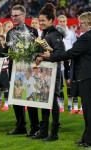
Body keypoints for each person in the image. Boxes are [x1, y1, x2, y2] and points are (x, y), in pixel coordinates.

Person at [43, 11, 91, 147]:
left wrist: (51, 56)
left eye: (81, 23)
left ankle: (90, 140)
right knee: (89, 109)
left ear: (89, 23)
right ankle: (86, 137)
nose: (79, 26)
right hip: (89, 76)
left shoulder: (86, 38)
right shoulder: (90, 36)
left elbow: (70, 53)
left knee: (90, 110)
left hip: (87, 76)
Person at [31, 3, 65, 141]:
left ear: (51, 20)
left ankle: (54, 133)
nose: (40, 23)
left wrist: (46, 56)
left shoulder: (55, 34)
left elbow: (62, 54)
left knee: (53, 103)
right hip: (44, 74)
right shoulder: (44, 33)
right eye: (39, 21)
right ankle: (43, 131)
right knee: (43, 102)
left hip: (53, 74)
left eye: (43, 21)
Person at [5, 5, 40, 137]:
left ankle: (35, 127)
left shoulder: (33, 31)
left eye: (16, 15)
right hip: (15, 70)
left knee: (31, 99)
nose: (13, 18)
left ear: (23, 16)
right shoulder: (10, 33)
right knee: (17, 101)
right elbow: (6, 51)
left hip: (29, 71)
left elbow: (36, 50)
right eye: (12, 15)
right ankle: (20, 127)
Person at [57, 15, 77, 112]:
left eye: (63, 21)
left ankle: (69, 104)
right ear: (58, 22)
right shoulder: (55, 33)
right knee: (59, 84)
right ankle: (60, 105)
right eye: (60, 21)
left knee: (69, 82)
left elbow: (74, 46)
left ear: (66, 22)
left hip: (68, 60)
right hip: (59, 60)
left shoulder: (71, 33)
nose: (62, 23)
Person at [0, 35, 10, 111]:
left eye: (1, 40)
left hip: (5, 72)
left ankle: (6, 104)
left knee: (5, 88)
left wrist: (1, 63)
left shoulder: (7, 50)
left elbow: (8, 62)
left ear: (4, 41)